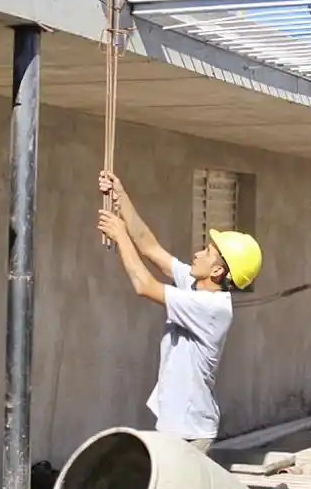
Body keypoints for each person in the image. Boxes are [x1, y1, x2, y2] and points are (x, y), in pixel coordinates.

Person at [95, 170, 263, 453]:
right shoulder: (198, 286)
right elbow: (150, 247)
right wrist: (120, 196)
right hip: (177, 423)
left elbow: (144, 285)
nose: (197, 253)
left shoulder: (210, 308)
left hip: (190, 431)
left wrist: (120, 236)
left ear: (218, 271)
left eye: (207, 253)